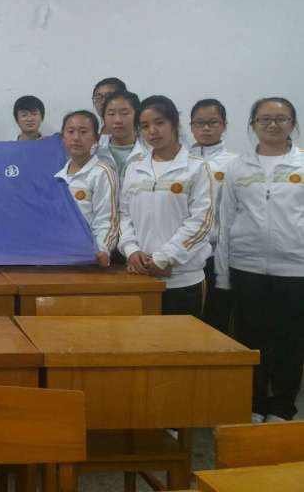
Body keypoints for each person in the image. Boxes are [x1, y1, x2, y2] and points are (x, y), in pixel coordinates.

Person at [215, 97, 304, 422]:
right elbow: (225, 220)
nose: (272, 124)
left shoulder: (302, 163)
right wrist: (223, 275)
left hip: (295, 269)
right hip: (247, 267)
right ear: (253, 124)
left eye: (281, 118)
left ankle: (282, 406)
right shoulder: (238, 167)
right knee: (250, 339)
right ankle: (253, 403)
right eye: (264, 119)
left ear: (293, 123)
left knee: (291, 341)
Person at [118, 95, 214, 316]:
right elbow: (124, 215)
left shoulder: (196, 167)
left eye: (159, 123)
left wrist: (164, 258)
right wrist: (131, 250)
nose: (152, 131)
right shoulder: (134, 168)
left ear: (174, 124)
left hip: (183, 280)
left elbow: (201, 222)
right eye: (145, 126)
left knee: (182, 339)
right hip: (140, 277)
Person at [189, 98, 238, 334]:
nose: (206, 128)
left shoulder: (235, 162)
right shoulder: (181, 159)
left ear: (224, 125)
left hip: (218, 252)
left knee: (216, 316)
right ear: (191, 127)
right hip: (186, 250)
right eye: (200, 123)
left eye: (213, 123)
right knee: (187, 315)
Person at [54, 111, 118, 266]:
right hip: (57, 256)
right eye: (70, 131)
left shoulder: (102, 173)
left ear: (96, 138)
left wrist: (101, 250)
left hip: (89, 257)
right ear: (63, 137)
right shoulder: (56, 175)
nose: (76, 138)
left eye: (83, 132)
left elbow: (107, 220)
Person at [96, 90, 147, 182]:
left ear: (138, 116)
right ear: (103, 117)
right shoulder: (94, 150)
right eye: (111, 114)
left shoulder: (150, 151)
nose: (117, 120)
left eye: (124, 113)